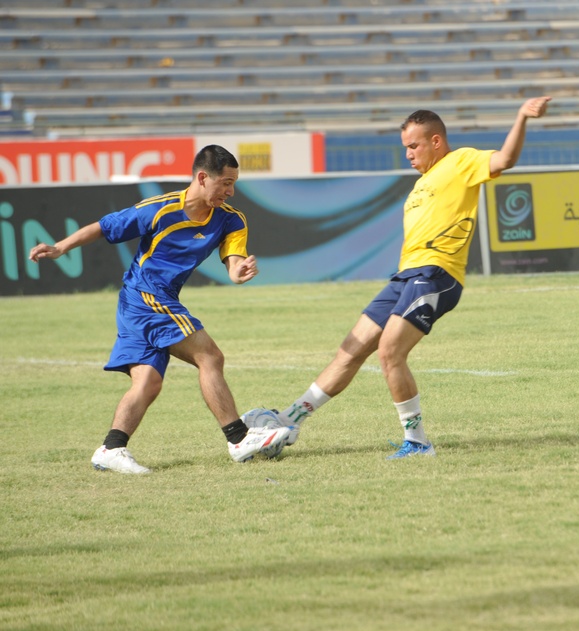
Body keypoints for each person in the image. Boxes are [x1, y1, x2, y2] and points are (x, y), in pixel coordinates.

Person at [274, 97, 551, 458]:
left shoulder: (460, 161)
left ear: (436, 141)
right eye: (405, 147)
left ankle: (418, 442)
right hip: (404, 277)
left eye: (413, 145)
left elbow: (505, 159)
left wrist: (521, 117)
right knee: (350, 350)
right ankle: (290, 419)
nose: (408, 154)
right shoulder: (421, 183)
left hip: (437, 275)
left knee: (390, 352)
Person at [28, 145, 294, 474]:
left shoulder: (231, 219)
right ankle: (239, 438)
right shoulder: (160, 208)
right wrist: (60, 247)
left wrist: (238, 273)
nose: (231, 190)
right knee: (209, 356)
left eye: (233, 183)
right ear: (202, 178)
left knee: (148, 383)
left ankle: (110, 448)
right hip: (145, 296)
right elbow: (105, 225)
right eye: (225, 183)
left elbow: (234, 262)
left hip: (145, 301)